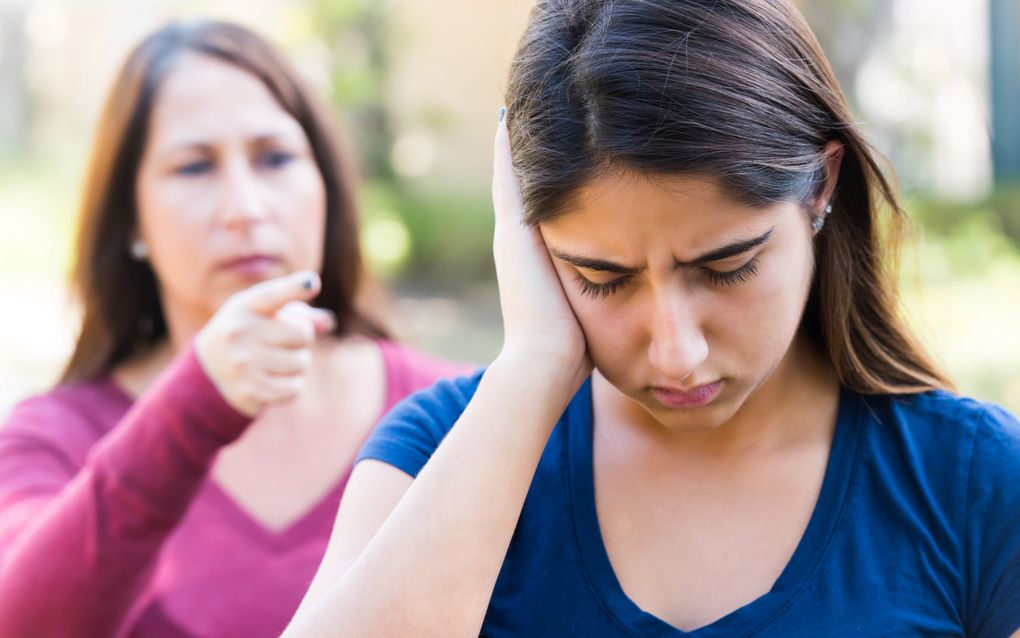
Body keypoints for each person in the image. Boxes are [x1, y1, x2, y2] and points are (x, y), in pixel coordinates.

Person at [283, 1, 1020, 636]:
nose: (675, 353)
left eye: (727, 267)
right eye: (601, 279)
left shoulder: (973, 484)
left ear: (821, 185)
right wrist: (534, 363)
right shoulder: (439, 453)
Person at [0, 20, 463, 638]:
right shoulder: (53, 439)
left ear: (325, 186)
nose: (245, 208)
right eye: (194, 167)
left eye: (275, 158)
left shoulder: (460, 416)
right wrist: (194, 407)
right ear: (131, 219)